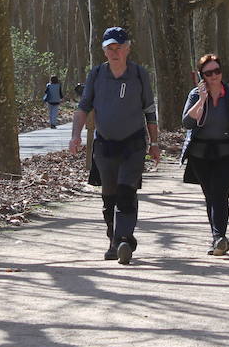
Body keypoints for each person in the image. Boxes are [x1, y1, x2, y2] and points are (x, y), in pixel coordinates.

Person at [69, 27, 161, 264]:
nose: (114, 51)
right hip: (105, 145)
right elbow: (83, 108)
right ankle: (117, 240)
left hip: (133, 143)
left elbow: (149, 111)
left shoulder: (139, 75)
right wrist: (75, 136)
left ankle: (122, 239)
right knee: (109, 197)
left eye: (119, 47)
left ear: (128, 48)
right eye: (110, 47)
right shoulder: (97, 75)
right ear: (104, 50)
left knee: (126, 191)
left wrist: (155, 143)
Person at [181, 54, 229, 255]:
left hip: (228, 153)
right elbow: (187, 123)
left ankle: (219, 237)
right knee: (210, 195)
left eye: (217, 71)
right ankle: (217, 238)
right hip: (200, 154)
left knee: (220, 194)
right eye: (208, 73)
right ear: (202, 75)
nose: (214, 76)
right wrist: (202, 100)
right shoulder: (195, 95)